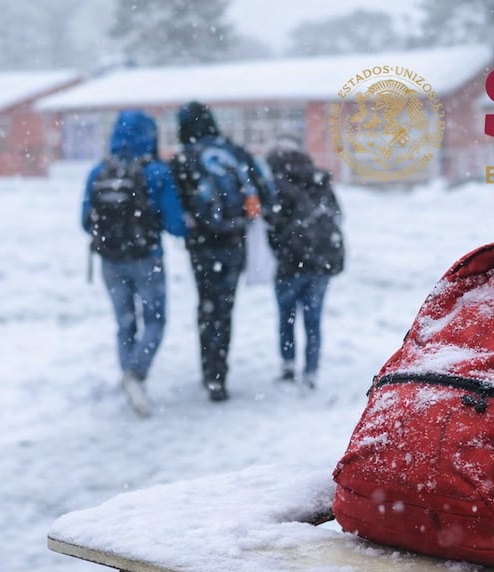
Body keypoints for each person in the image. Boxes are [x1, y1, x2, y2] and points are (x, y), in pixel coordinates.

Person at [81, 109, 186, 416]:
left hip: (110, 260)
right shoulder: (155, 172)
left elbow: (85, 222)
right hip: (147, 257)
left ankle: (129, 374)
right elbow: (175, 223)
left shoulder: (98, 171)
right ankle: (135, 376)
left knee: (124, 323)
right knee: (155, 321)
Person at [169, 101, 274, 402]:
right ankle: (219, 375)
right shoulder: (235, 153)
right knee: (225, 308)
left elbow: (173, 205)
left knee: (206, 305)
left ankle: (209, 371)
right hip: (234, 241)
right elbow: (265, 191)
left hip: (201, 245)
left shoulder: (184, 159)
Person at [263, 144, 345, 390]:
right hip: (320, 263)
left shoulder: (279, 185)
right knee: (313, 320)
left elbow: (273, 225)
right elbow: (337, 216)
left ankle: (288, 367)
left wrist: (282, 248)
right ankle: (311, 371)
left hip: (290, 265)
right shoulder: (320, 181)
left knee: (286, 317)